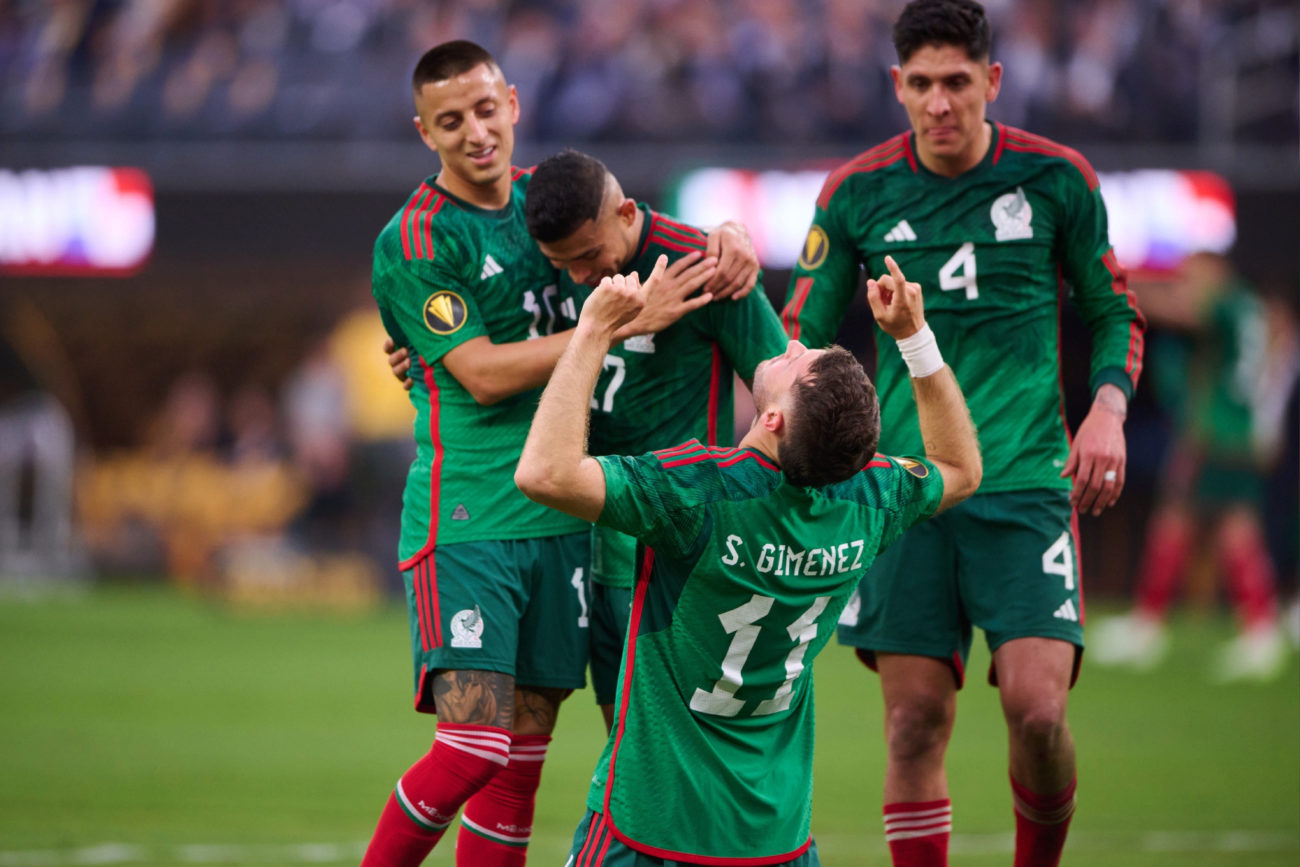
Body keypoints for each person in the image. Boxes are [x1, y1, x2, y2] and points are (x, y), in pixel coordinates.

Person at [362, 40, 758, 867]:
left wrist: (729, 234)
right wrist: (607, 327)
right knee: (474, 747)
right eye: (449, 122)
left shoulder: (548, 203)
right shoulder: (417, 237)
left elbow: (635, 225)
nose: (474, 133)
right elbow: (475, 373)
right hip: (469, 513)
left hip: (561, 517)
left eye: (483, 109)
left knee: (519, 771)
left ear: (512, 101)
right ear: (423, 133)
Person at [780, 2, 1145, 864]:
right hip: (907, 491)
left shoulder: (1059, 180)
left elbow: (1111, 309)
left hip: (1024, 482)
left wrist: (1108, 407)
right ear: (896, 86)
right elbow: (801, 339)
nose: (940, 103)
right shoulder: (855, 193)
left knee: (1039, 710)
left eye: (956, 82)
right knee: (912, 724)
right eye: (921, 85)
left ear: (993, 81)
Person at [515, 254, 982, 866]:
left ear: (771, 418)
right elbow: (961, 469)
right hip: (776, 841)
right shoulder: (870, 497)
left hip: (649, 830)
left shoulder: (699, 490)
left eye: (795, 362)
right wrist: (915, 341)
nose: (789, 342)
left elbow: (543, 473)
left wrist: (595, 331)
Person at [522, 148, 789, 731]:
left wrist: (758, 502)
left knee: (689, 739)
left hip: (683, 547)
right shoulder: (559, 259)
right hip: (593, 544)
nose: (577, 275)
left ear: (624, 212)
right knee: (625, 735)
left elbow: (785, 389)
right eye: (560, 262)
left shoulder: (706, 265)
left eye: (590, 256)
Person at [1091, 251, 1286, 681]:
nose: (1187, 284)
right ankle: (1253, 627)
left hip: (1214, 435)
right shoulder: (1248, 306)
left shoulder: (1226, 303)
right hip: (1239, 431)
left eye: (1193, 275)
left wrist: (1115, 288)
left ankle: (1154, 624)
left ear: (1216, 271)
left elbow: (1185, 312)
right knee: (1216, 526)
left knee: (1187, 523)